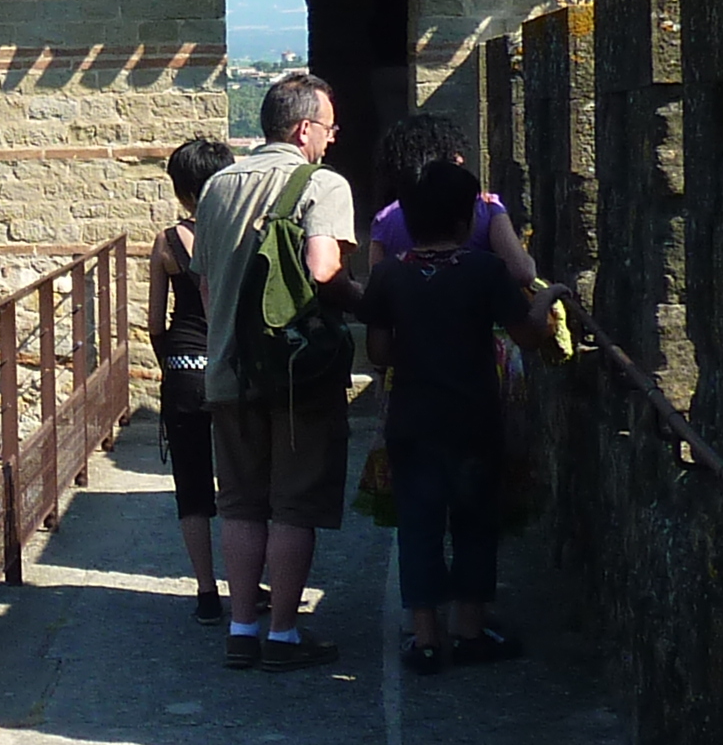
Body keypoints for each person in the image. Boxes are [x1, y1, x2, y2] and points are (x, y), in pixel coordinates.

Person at [362, 156, 555, 674]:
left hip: (412, 419)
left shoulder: (387, 278)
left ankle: (425, 638)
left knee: (418, 524)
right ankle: (469, 629)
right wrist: (549, 301)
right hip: (473, 417)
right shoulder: (485, 271)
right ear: (464, 221)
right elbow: (528, 336)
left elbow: (378, 353)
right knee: (473, 523)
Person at [194, 72, 358, 670]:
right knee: (292, 505)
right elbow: (320, 271)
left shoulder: (216, 186)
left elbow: (209, 286)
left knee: (239, 503)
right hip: (297, 375)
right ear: (304, 128)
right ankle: (284, 635)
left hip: (228, 371)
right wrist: (362, 297)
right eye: (329, 128)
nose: (332, 141)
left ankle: (241, 630)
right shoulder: (324, 184)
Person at [147, 134, 239, 616]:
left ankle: (206, 591)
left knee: (192, 485)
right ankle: (248, 585)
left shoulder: (166, 242)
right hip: (230, 367)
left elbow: (154, 322)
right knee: (243, 483)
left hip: (183, 370)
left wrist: (171, 363)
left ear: (181, 189)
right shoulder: (242, 232)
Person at [365, 113, 538, 293]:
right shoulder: (487, 208)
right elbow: (523, 271)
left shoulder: (384, 219)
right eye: (449, 153)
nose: (460, 159)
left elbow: (376, 287)